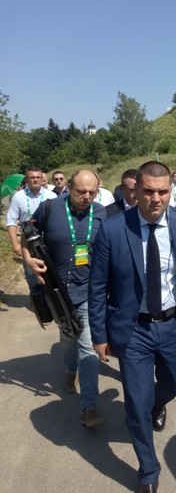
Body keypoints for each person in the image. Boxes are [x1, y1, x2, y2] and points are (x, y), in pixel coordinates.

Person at [88, 161, 176, 493]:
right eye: (148, 191)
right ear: (134, 190)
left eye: (162, 192)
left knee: (175, 385)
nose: (156, 198)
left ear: (171, 191)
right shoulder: (112, 229)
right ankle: (148, 471)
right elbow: (98, 287)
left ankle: (156, 402)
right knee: (136, 405)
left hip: (172, 323)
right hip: (133, 329)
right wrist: (99, 335)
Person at [21, 170, 107, 427]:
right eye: (81, 191)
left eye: (92, 192)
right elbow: (26, 234)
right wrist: (27, 259)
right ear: (69, 187)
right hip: (56, 291)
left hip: (87, 292)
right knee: (68, 338)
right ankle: (71, 370)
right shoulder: (49, 209)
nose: (87, 197)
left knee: (88, 347)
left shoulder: (101, 213)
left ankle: (89, 408)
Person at [6, 167, 57, 295]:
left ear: (42, 178)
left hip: (48, 241)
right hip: (28, 243)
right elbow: (11, 220)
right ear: (27, 180)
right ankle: (37, 301)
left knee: (51, 275)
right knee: (32, 277)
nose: (35, 180)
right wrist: (15, 243)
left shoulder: (51, 196)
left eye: (38, 177)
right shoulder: (19, 196)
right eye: (32, 177)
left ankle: (52, 301)